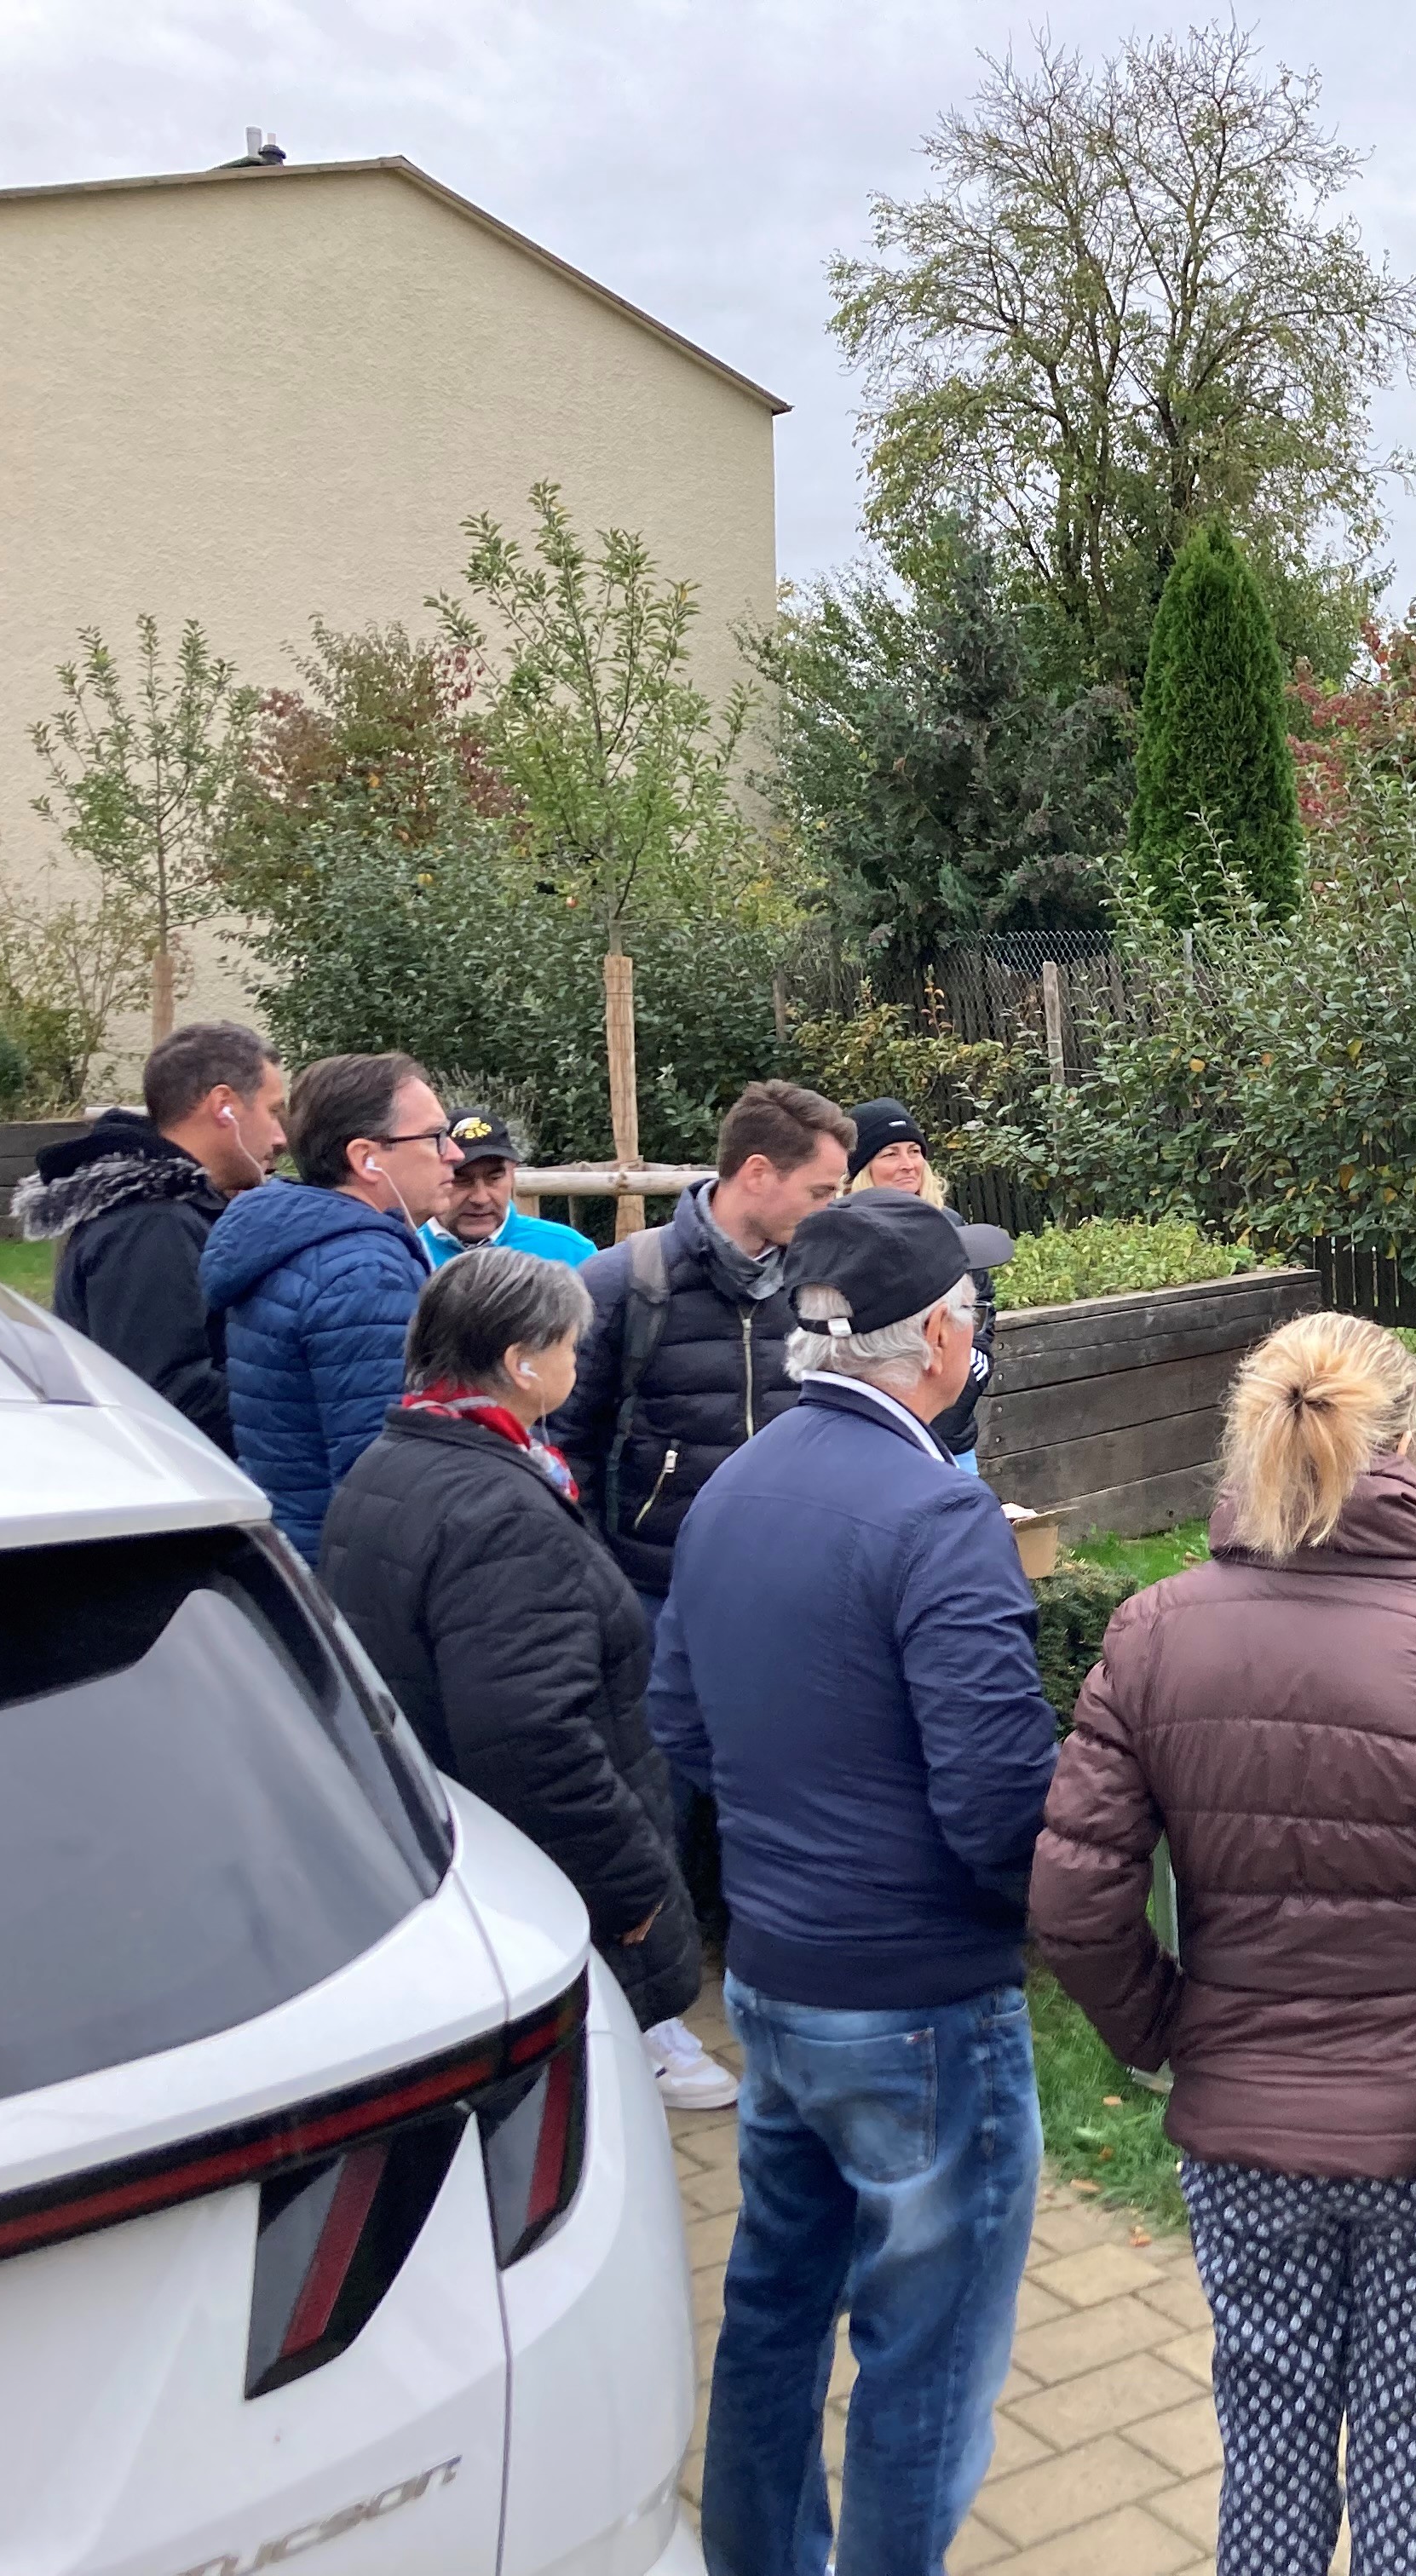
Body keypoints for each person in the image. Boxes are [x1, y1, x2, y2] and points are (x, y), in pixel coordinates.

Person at [1033, 1314, 1416, 2576]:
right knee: (1415, 2449)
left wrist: (1176, 2035)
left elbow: (1074, 1909)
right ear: (1414, 1442)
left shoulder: (1150, 1632)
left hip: (1244, 2125)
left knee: (1272, 2436)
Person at [648, 1189, 1059, 2572]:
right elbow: (1000, 1804)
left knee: (772, 2303)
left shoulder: (730, 1489)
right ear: (941, 1335)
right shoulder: (941, 1518)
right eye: (973, 1313)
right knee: (922, 2355)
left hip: (772, 1981)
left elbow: (682, 1722)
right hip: (921, 2007)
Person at [319, 1248, 702, 2062]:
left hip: (447, 1852)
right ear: (520, 1362)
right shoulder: (502, 1513)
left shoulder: (390, 1464)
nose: (576, 1360)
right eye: (567, 1345)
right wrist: (631, 1887)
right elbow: (532, 1732)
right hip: (540, 1890)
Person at [545, 1079, 856, 1603]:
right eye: (820, 1192)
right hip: (655, 1592)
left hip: (792, 1585)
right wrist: (599, 1581)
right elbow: (562, 1445)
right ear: (757, 1173)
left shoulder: (823, 1284)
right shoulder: (623, 1282)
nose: (830, 1209)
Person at [199, 1049, 459, 1558]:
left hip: (299, 1543)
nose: (453, 1153)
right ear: (366, 1157)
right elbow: (383, 1475)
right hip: (349, 1572)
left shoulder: (299, 1243)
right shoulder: (362, 1274)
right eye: (434, 1137)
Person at [11, 1020, 284, 1450]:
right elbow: (167, 1395)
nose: (280, 1136)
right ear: (224, 1106)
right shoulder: (154, 1223)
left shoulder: (173, 1211)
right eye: (273, 1111)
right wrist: (294, 1414)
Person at [844, 1096, 999, 1466]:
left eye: (915, 1151)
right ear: (862, 1167)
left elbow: (980, 1314)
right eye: (890, 1154)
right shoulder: (839, 1238)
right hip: (871, 1438)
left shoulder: (951, 1228)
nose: (908, 1164)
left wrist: (962, 1385)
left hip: (951, 1441)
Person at [419, 1107, 596, 1266]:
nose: (481, 1198)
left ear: (512, 1172)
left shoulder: (570, 1252)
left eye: (494, 1178)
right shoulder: (404, 1253)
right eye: (461, 1180)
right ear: (433, 1176)